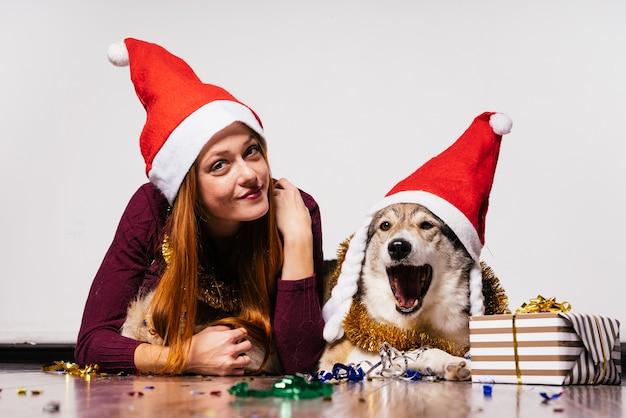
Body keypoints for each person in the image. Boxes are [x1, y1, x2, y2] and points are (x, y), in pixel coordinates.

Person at [74, 38, 325, 376]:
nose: (250, 174)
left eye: (251, 151)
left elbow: (301, 362)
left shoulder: (295, 210)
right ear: (187, 187)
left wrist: (297, 239)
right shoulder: (150, 210)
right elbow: (92, 344)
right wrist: (183, 356)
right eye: (220, 165)